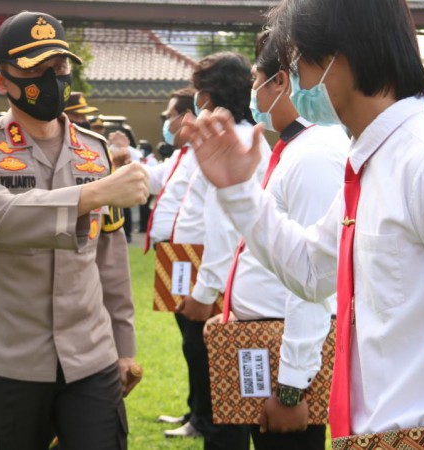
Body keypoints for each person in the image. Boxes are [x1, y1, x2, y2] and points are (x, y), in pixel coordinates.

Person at [182, 0, 424, 448]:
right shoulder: (372, 164)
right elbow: (310, 270)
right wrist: (239, 192)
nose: (297, 84)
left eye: (297, 65)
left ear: (337, 59)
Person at [0, 11, 149, 450]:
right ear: (2, 81)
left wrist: (124, 346)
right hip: (9, 359)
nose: (52, 79)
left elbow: (110, 262)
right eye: (35, 70)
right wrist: (94, 194)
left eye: (58, 68)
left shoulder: (94, 152)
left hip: (90, 356)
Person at [184, 31, 348, 450]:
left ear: (281, 81)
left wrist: (292, 388)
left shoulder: (314, 154)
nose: (253, 92)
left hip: (288, 354)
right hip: (263, 337)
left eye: (257, 79)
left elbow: (313, 281)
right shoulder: (295, 147)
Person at [173, 51, 272, 448]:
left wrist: (204, 292)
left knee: (225, 411)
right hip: (234, 285)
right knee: (231, 403)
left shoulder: (230, 144)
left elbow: (225, 231)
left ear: (208, 97)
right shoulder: (248, 140)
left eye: (199, 93)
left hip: (229, 290)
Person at [111, 87, 201, 436]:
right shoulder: (184, 155)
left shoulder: (197, 155)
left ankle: (201, 418)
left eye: (170, 116)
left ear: (187, 117)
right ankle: (195, 411)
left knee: (196, 341)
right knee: (188, 339)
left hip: (188, 254)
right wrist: (124, 159)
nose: (166, 123)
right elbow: (153, 178)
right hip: (175, 253)